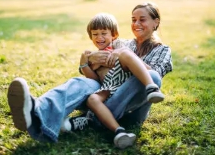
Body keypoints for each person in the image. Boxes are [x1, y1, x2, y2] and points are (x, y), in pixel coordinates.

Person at [7, 2, 172, 147]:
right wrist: (86, 60)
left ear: (155, 22)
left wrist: (125, 55)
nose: (136, 24)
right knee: (80, 82)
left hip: (129, 106)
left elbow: (154, 73)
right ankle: (36, 112)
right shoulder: (123, 43)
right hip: (106, 91)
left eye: (142, 19)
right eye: (133, 19)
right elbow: (97, 68)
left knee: (154, 78)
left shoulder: (161, 50)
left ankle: (92, 119)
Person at [60, 12, 164, 148]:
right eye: (95, 34)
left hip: (124, 81)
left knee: (126, 54)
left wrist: (112, 55)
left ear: (114, 34)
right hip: (109, 85)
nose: (99, 37)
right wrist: (85, 65)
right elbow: (95, 80)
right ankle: (119, 131)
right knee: (92, 99)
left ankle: (151, 87)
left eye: (104, 33)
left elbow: (128, 57)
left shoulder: (118, 44)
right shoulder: (93, 56)